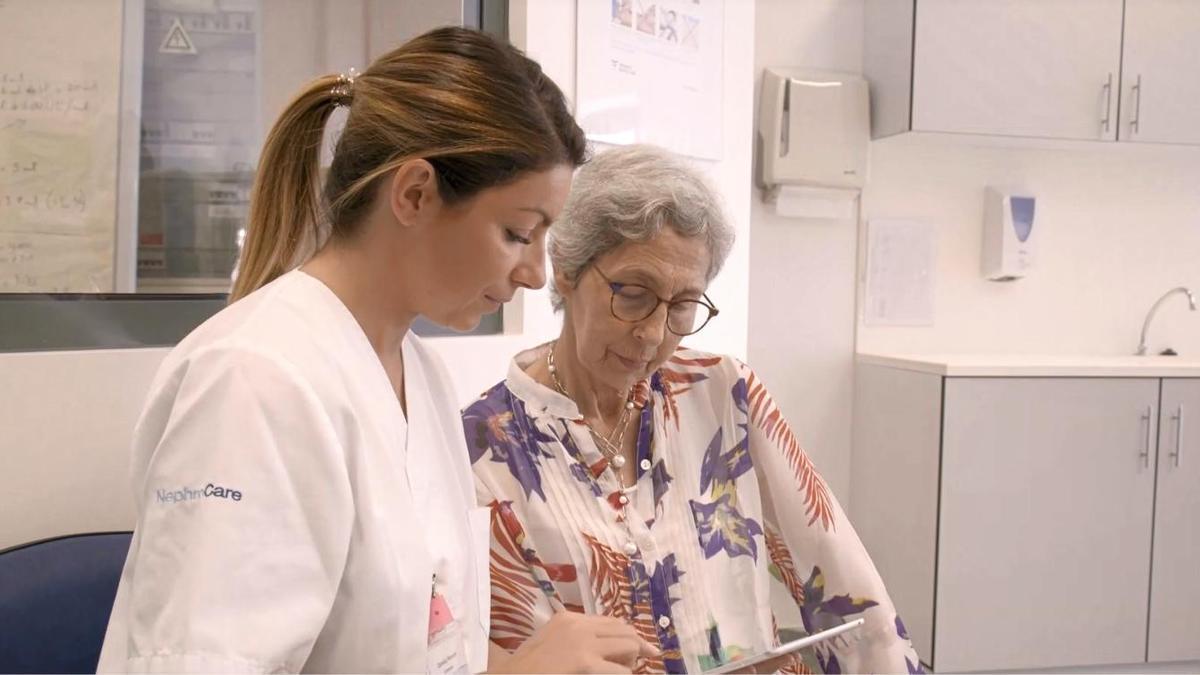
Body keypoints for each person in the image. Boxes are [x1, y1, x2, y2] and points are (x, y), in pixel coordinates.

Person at [98, 27, 656, 674]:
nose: (535, 271)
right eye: (517, 233)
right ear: (415, 193)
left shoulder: (418, 373)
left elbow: (419, 636)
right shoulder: (253, 382)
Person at [463, 145, 924, 674]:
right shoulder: (481, 452)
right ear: (567, 270)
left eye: (683, 305)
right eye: (633, 294)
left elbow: (843, 580)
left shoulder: (723, 392)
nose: (654, 334)